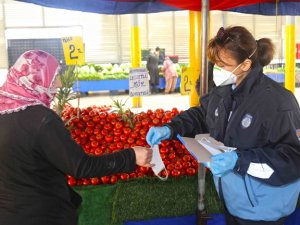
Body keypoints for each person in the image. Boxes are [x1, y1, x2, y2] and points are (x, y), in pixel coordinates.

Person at [146, 26, 300, 225]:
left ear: (245, 65)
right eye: (215, 63)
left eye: (223, 64)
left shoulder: (278, 102)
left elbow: (293, 158)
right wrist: (171, 128)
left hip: (264, 207)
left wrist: (240, 161)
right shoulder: (225, 90)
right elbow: (202, 114)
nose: (216, 69)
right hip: (234, 200)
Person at [0, 50, 153, 225]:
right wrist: (132, 156)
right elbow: (81, 166)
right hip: (43, 215)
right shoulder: (42, 119)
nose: (58, 84)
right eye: (54, 77)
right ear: (35, 78)